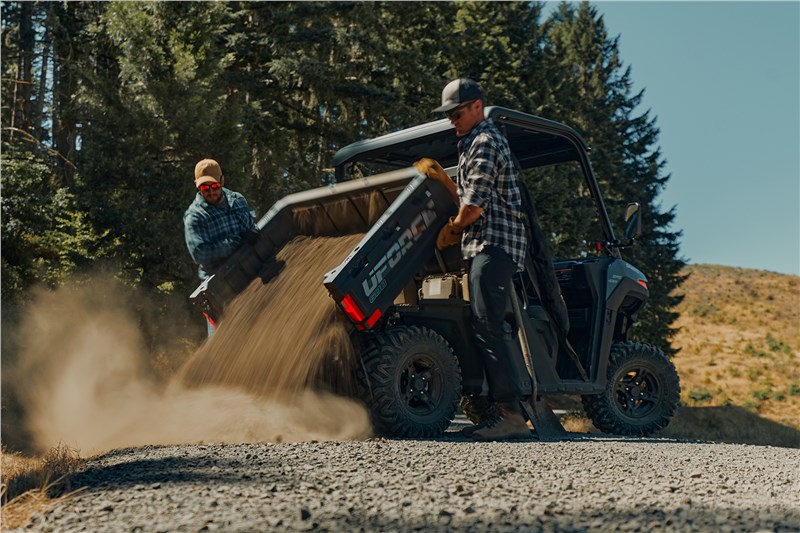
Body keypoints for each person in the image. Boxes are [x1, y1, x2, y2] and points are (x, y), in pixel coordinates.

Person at [432, 79, 530, 441]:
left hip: (493, 245)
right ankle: (494, 411)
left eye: (456, 113)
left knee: (488, 325)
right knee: (481, 325)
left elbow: (473, 207)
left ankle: (511, 416)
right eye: (448, 116)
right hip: (485, 246)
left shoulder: (485, 142)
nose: (452, 121)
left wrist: (452, 229)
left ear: (477, 106)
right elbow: (468, 196)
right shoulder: (471, 143)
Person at [184, 158, 258, 333]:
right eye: (204, 188)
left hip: (248, 274)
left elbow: (251, 229)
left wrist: (254, 233)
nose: (210, 192)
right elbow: (200, 253)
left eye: (214, 186)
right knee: (224, 339)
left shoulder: (238, 200)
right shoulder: (195, 216)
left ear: (222, 181)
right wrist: (234, 243)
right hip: (218, 286)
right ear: (196, 185)